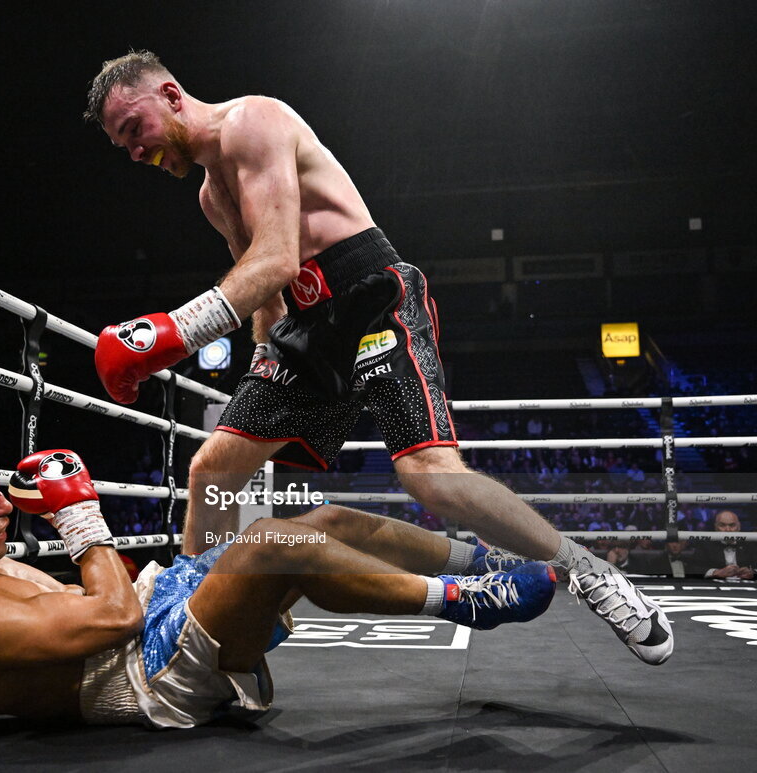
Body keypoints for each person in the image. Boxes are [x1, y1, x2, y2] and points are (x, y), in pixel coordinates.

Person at [82, 50, 673, 665]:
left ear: (172, 96)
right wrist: (262, 358)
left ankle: (588, 571)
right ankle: (196, 631)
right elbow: (260, 281)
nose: (135, 152)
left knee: (429, 475)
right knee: (214, 473)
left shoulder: (253, 121)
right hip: (304, 329)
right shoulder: (211, 195)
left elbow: (278, 257)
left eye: (134, 130)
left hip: (370, 297)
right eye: (122, 145)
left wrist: (170, 334)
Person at [0, 437, 556, 727]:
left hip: (146, 610)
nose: (3, 505)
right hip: (138, 672)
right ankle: (469, 603)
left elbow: (99, 602)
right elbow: (114, 623)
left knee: (325, 518)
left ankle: (477, 562)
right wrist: (79, 519)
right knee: (272, 542)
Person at [690, 510, 756, 580]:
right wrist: (716, 572)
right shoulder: (706, 544)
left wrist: (752, 573)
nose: (727, 529)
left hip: (746, 585)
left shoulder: (750, 543)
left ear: (739, 527)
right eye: (722, 525)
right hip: (715, 587)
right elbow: (694, 568)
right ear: (715, 527)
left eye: (732, 525)